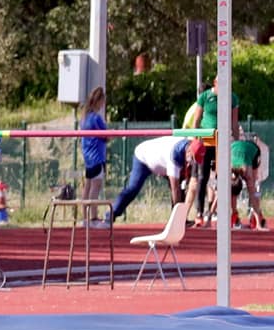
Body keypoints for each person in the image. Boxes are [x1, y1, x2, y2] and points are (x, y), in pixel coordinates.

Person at [105, 136, 205, 224]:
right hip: (143, 158)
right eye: (192, 158)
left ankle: (179, 219)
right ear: (188, 151)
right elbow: (175, 189)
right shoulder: (174, 155)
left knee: (181, 186)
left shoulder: (188, 146)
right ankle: (111, 214)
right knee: (133, 188)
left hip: (161, 163)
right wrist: (177, 217)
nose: (192, 162)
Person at [191, 77, 239, 226]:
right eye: (222, 83)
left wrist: (235, 144)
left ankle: (220, 213)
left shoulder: (232, 97)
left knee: (223, 178)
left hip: (223, 141)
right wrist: (195, 139)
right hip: (207, 140)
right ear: (215, 83)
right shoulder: (205, 96)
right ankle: (199, 212)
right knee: (202, 176)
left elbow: (234, 122)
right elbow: (196, 120)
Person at [80, 86, 107, 227]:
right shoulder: (96, 119)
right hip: (96, 157)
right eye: (103, 101)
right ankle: (93, 218)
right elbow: (105, 136)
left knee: (88, 187)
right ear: (99, 101)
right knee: (95, 187)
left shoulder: (84, 118)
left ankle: (85, 218)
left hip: (88, 158)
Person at [230, 137, 267, 229]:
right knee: (235, 191)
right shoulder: (228, 169)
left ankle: (258, 218)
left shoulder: (247, 173)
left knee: (254, 188)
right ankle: (234, 216)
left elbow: (254, 193)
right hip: (234, 147)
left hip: (253, 150)